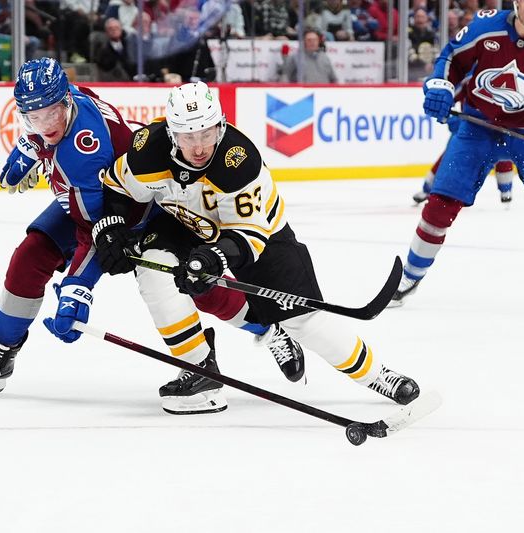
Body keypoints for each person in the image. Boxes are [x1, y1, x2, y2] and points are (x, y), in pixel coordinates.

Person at [0, 59, 304, 397]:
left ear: (65, 101)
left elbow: (93, 231)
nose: (46, 124)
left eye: (51, 113)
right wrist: (32, 145)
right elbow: (60, 118)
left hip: (139, 210)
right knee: (31, 255)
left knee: (197, 285)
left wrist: (76, 289)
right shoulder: (73, 98)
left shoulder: (84, 156)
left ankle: (267, 328)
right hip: (102, 198)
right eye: (34, 118)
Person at [90, 81, 421, 414]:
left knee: (303, 320)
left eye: (207, 133)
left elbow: (248, 235)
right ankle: (199, 370)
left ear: (220, 125)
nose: (200, 146)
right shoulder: (148, 149)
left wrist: (212, 258)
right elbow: (118, 187)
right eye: (189, 136)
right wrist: (111, 228)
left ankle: (378, 376)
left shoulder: (238, 160)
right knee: (151, 269)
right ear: (172, 133)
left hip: (259, 235)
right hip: (185, 224)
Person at [390, 2, 524, 309]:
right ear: (516, 1)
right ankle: (410, 276)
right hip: (478, 127)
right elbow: (451, 58)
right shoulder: (486, 26)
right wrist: (441, 87)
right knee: (442, 201)